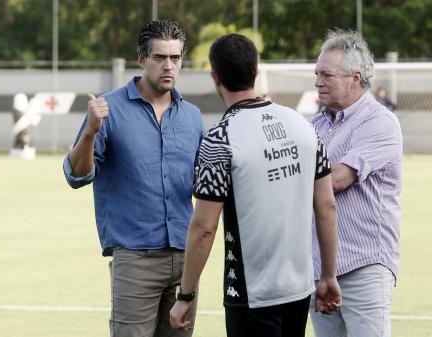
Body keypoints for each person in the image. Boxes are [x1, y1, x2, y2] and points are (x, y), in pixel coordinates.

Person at [169, 33, 341, 337]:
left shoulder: (219, 140)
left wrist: (185, 295)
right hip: (299, 289)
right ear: (256, 70)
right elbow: (327, 205)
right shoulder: (302, 125)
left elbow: (204, 227)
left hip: (251, 295)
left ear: (215, 78)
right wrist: (328, 274)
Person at [63, 19, 204, 337]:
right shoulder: (108, 109)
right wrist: (89, 132)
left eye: (175, 58)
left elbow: (201, 182)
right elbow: (76, 176)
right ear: (141, 60)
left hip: (186, 258)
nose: (169, 66)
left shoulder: (192, 116)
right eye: (160, 57)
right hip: (135, 258)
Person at [310, 28, 403, 337]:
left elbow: (337, 179)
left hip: (364, 267)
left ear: (356, 77)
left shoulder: (379, 122)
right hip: (320, 270)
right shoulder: (314, 125)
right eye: (317, 74)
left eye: (327, 75)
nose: (318, 81)